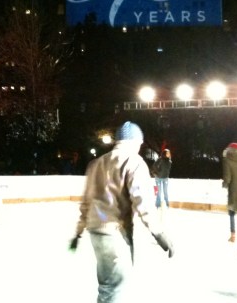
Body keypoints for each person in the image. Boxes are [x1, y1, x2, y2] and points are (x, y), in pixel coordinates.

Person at [71, 121, 174, 302]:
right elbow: (143, 202)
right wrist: (159, 233)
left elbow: (86, 202)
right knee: (115, 287)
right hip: (115, 232)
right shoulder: (134, 162)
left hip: (95, 232)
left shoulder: (96, 163)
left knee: (107, 286)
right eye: (140, 144)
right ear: (135, 142)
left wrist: (78, 232)